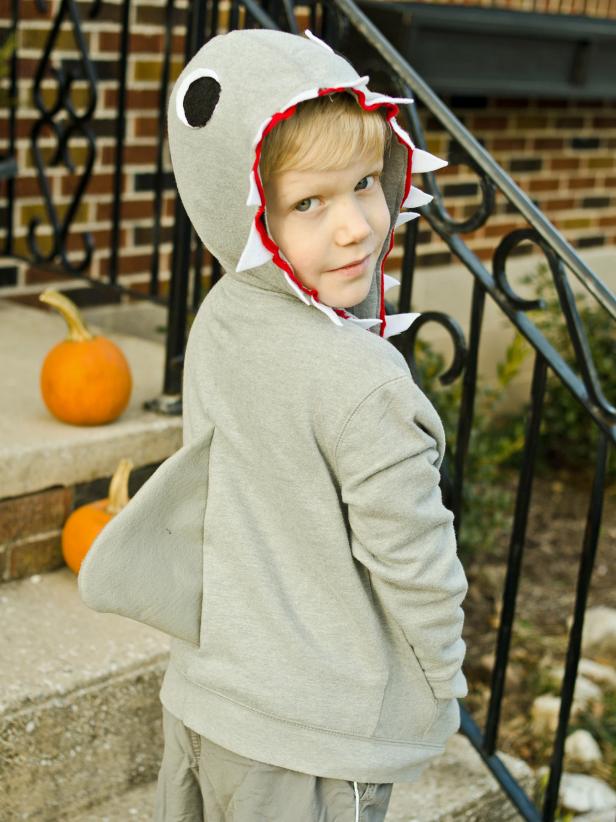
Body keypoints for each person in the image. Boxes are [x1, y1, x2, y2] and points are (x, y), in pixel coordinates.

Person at [78, 27, 469, 822]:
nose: (357, 225)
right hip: (314, 747)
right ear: (248, 210)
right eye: (309, 203)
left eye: (366, 182)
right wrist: (442, 684)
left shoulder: (220, 318)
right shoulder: (363, 381)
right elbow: (416, 562)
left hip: (205, 704)